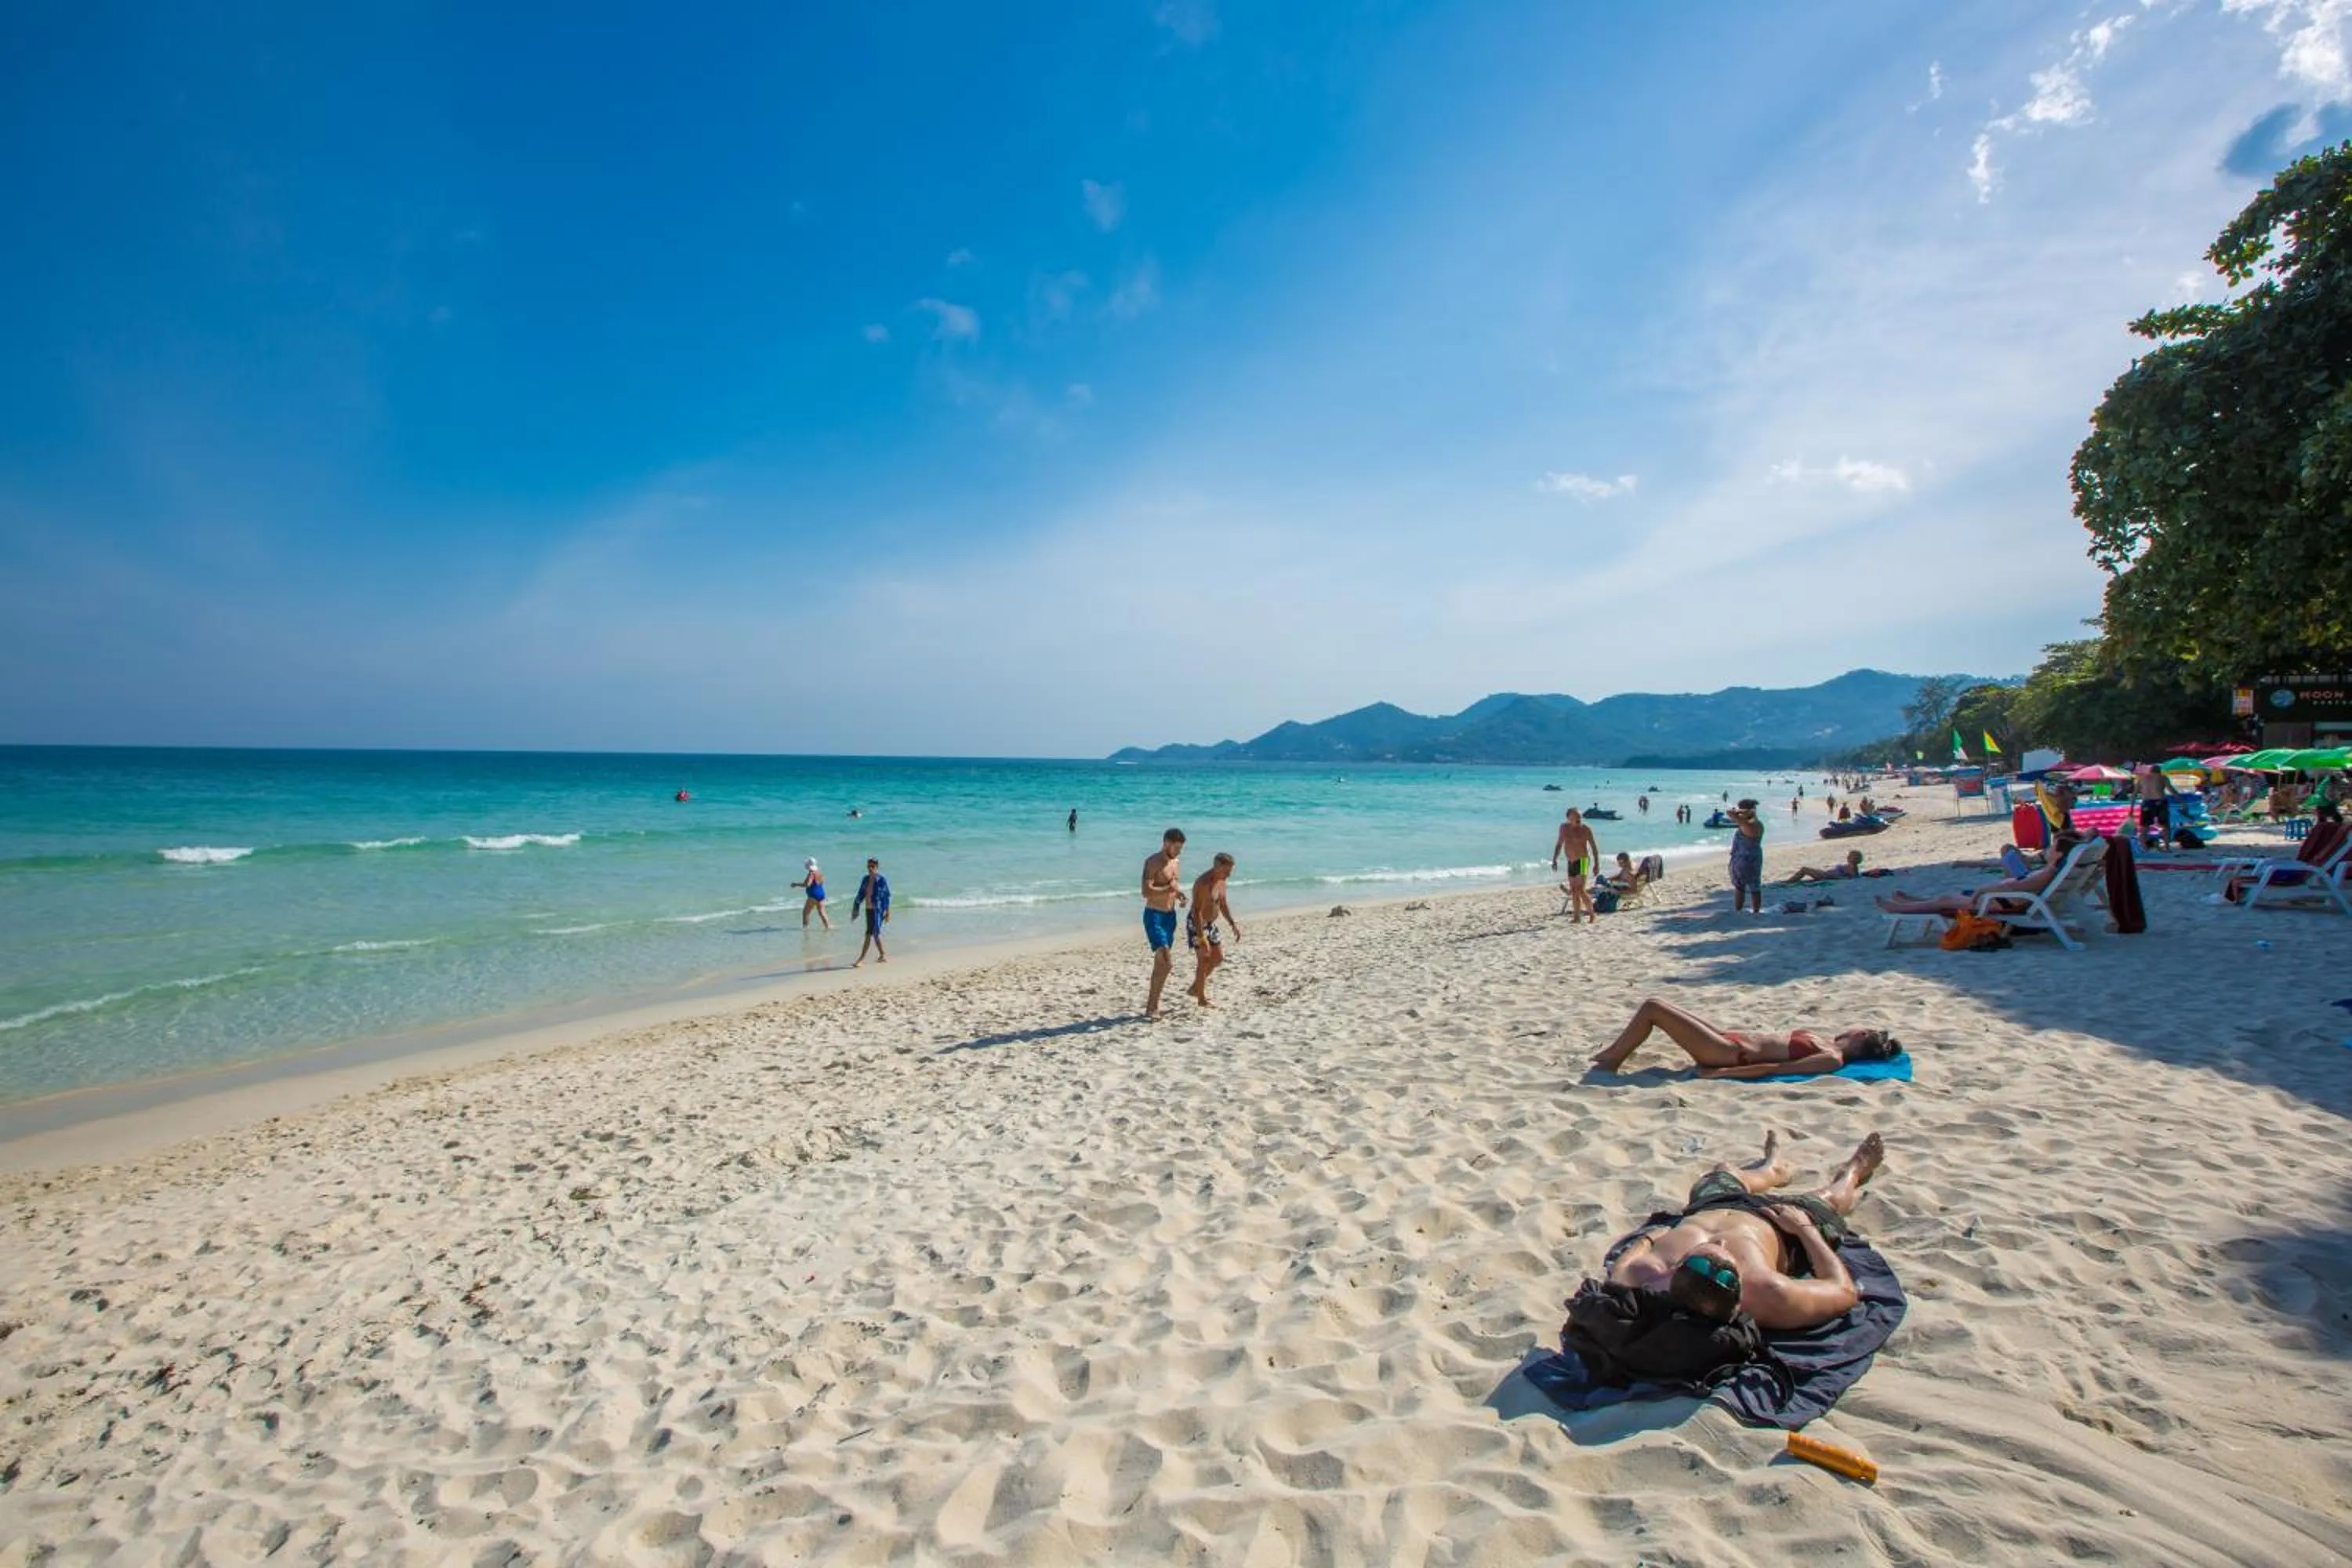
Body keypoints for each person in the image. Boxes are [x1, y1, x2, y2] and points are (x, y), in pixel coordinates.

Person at [1602, 1130, 1884, 1331]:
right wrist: (1805, 1229)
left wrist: (1649, 1238)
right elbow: (1843, 1291)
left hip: (1714, 1205)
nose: (1723, 1244)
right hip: (1781, 1225)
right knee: (1829, 1199)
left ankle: (1773, 1170)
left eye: (1707, 1251)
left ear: (1675, 1268)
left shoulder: (1647, 1274)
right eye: (1727, 1255)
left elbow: (1621, 1268)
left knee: (1722, 1171)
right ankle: (1854, 1170)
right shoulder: (1768, 1291)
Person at [1588, 997, 1903, 1077]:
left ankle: (1611, 1060)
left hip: (1728, 1053)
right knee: (1661, 1004)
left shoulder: (1832, 1058)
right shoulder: (1827, 1044)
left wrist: (1722, 1073)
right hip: (1730, 1041)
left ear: (1861, 1035)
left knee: (1652, 1008)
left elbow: (1778, 1069)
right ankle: (1612, 1053)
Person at [1872, 840, 2077, 916]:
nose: (2048, 849)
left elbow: (2017, 887)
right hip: (2004, 899)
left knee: (1945, 901)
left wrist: (1983, 890)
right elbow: (2018, 885)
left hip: (2001, 903)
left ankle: (1898, 908)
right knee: (1946, 898)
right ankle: (1914, 902)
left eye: (2052, 848)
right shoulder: (2049, 870)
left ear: (2058, 854)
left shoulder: (2046, 874)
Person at [1141, 828, 1187, 1019]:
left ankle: (1152, 1007)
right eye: (1176, 848)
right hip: (1154, 916)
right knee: (1167, 962)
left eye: (1181, 848)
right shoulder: (1153, 862)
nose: (1179, 852)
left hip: (1170, 916)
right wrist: (1168, 889)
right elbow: (1146, 892)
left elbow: (1173, 886)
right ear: (1166, 843)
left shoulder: (1176, 862)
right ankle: (1152, 1007)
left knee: (1161, 964)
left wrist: (1179, 895)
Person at [1185, 852, 1242, 1008]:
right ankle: (1201, 999)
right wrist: (1201, 937)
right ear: (1217, 867)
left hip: (1211, 924)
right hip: (1197, 924)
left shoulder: (1222, 881)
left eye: (1230, 871)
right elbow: (1197, 911)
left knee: (1218, 958)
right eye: (1226, 871)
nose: (1229, 875)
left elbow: (1222, 903)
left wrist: (1232, 924)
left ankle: (1195, 987)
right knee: (1204, 959)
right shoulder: (1203, 883)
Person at [1552, 808, 1600, 924]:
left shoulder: (1586, 829)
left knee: (1580, 889)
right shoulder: (1564, 828)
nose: (1579, 819)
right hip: (1571, 861)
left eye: (1580, 816)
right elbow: (1559, 844)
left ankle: (1592, 914)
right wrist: (1555, 859)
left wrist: (1596, 864)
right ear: (1569, 818)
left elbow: (1594, 847)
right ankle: (1577, 917)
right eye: (1576, 816)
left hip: (1583, 861)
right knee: (1574, 890)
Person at [1726, 798, 1764, 914]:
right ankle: (1756, 911)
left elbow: (1729, 813)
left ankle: (1739, 910)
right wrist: (1749, 812)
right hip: (1755, 857)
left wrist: (1741, 812)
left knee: (1740, 887)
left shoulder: (1745, 824)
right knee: (1755, 887)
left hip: (1743, 859)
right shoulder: (1758, 824)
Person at [851, 858, 890, 967]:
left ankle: (861, 959)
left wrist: (887, 911)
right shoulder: (865, 879)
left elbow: (886, 896)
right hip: (868, 909)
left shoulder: (881, 880)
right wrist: (856, 907)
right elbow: (860, 894)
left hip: (877, 910)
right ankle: (882, 954)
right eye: (869, 866)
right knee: (875, 934)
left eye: (872, 866)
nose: (870, 868)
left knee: (869, 934)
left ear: (877, 867)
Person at [793, 857, 832, 930]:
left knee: (806, 912)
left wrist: (796, 884)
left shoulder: (811, 874)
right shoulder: (819, 872)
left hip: (813, 895)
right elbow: (822, 882)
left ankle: (805, 928)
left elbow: (807, 884)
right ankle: (828, 927)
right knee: (822, 912)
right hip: (821, 893)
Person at [1787, 849, 1865, 884]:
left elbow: (1849, 877)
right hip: (1826, 874)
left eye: (1849, 856)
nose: (1847, 857)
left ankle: (1789, 882)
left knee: (1804, 869)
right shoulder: (1853, 867)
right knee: (1806, 870)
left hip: (1825, 876)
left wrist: (1836, 878)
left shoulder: (1851, 867)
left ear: (1852, 858)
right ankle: (1790, 881)